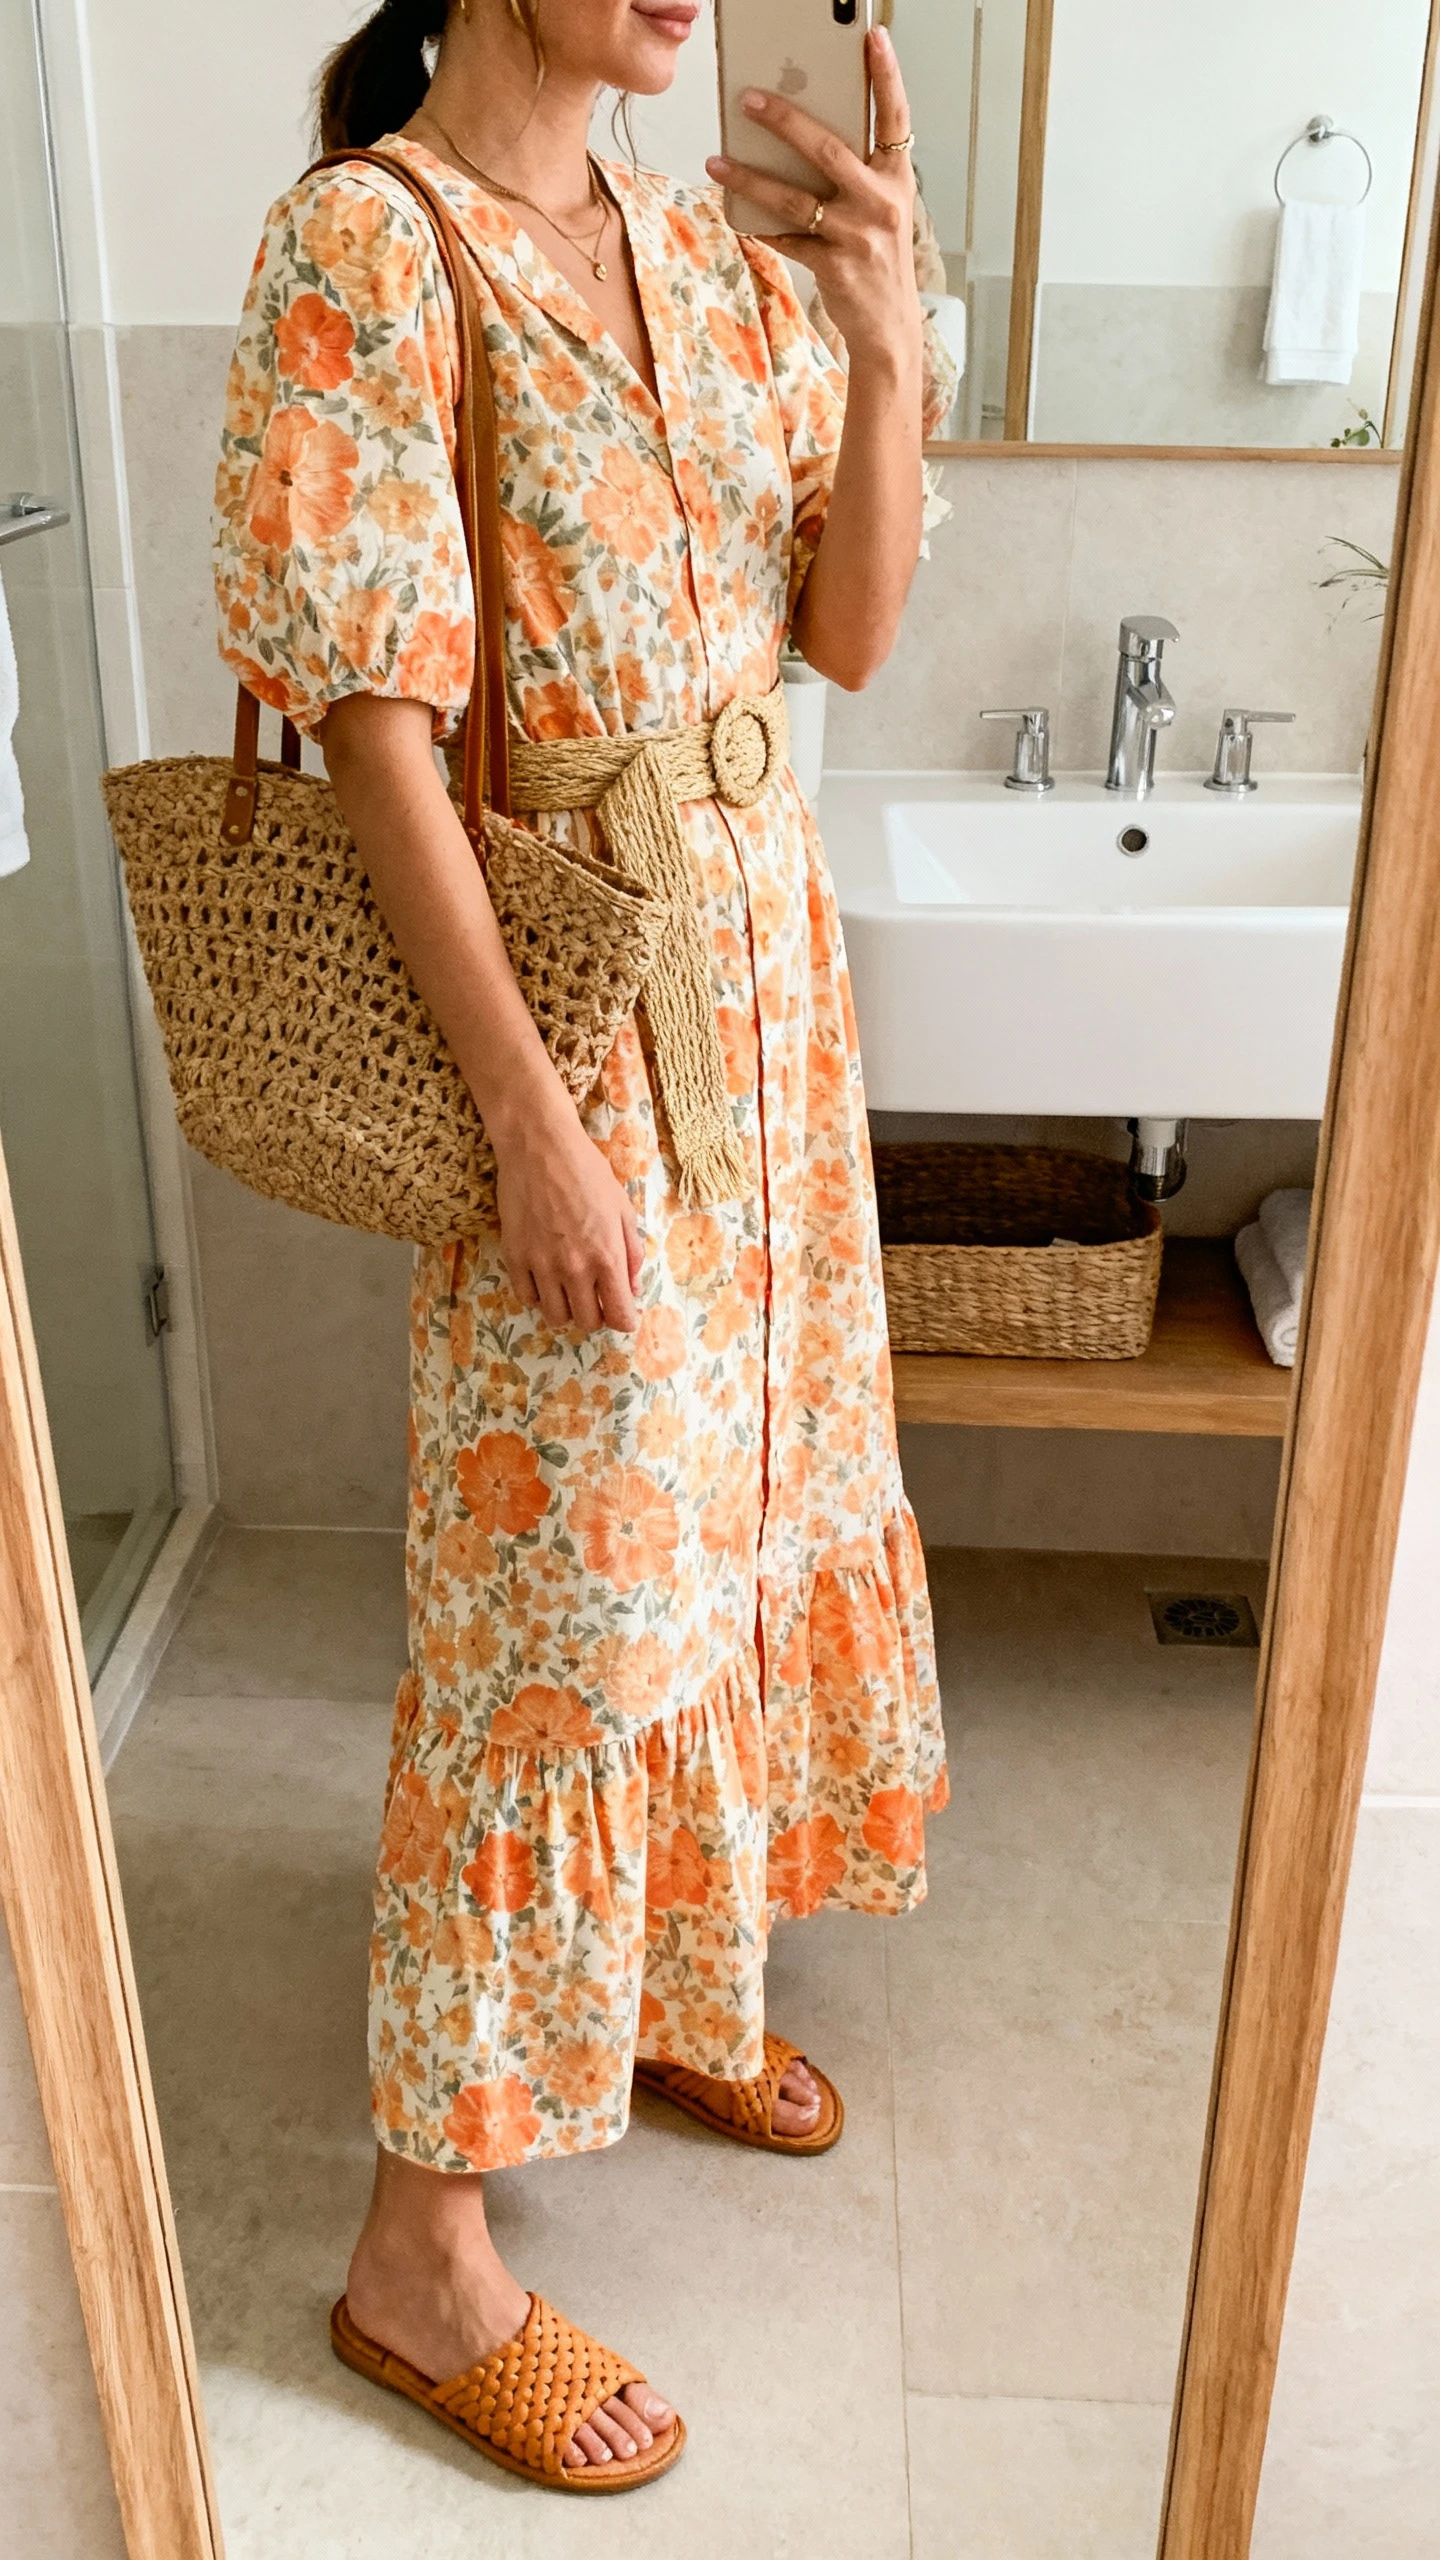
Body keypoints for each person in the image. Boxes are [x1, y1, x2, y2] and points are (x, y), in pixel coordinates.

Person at [213, 0, 953, 2493]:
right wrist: (535, 1127)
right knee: (555, 1607)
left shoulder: (702, 248)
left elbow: (847, 637)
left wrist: (888, 342)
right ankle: (418, 2251)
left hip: (768, 1010)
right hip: (579, 1028)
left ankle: (662, 1977)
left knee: (733, 1527)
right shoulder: (367, 245)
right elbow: (375, 731)